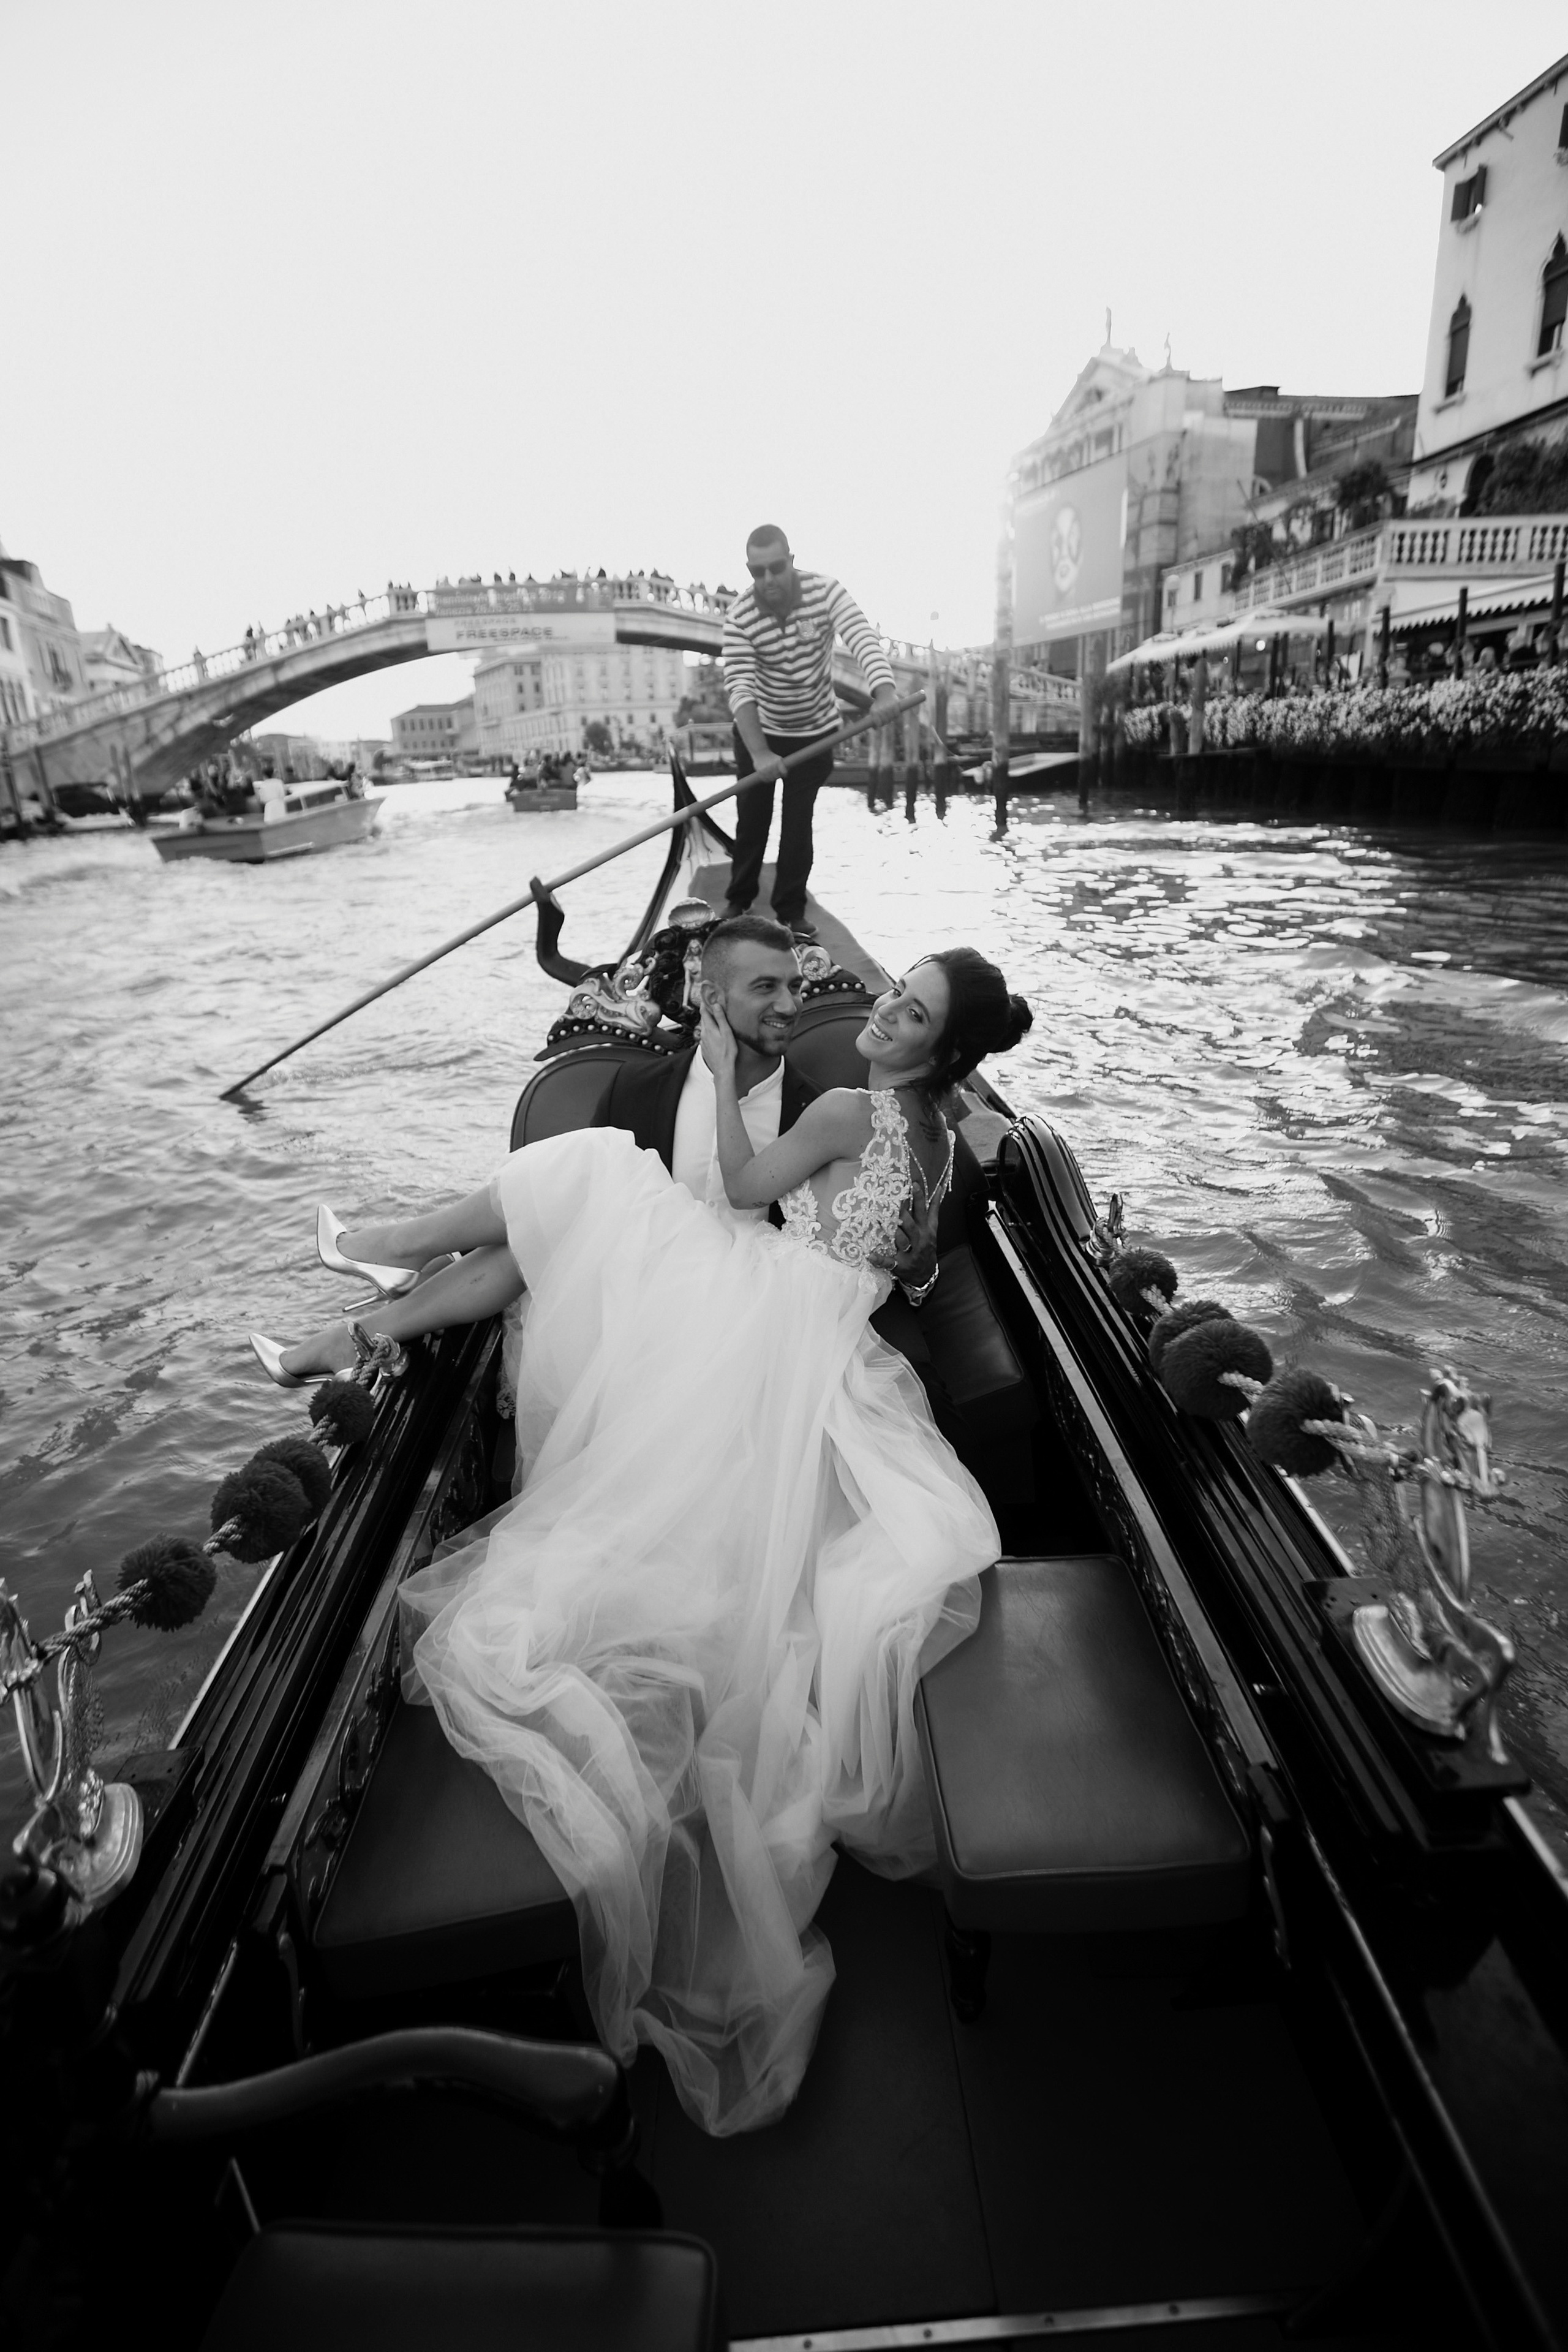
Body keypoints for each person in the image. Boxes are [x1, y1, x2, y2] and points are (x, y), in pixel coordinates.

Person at [249, 946, 1031, 2136]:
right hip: (832, 1346)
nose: (881, 1011)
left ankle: (375, 1260)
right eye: (894, 992)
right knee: (559, 1221)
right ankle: (352, 1320)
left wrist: (715, 1062)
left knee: (590, 1172)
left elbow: (740, 1184)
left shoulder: (843, 1108)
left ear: (940, 1044)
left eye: (908, 1010)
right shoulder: (937, 1148)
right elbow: (910, 1269)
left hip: (766, 1306)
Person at [722, 526, 901, 942]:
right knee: (753, 820)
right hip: (761, 731)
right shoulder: (739, 616)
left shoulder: (827, 592)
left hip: (816, 732)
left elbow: (861, 636)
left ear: (791, 561)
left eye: (776, 567)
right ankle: (739, 899)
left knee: (798, 823)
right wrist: (760, 753)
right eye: (758, 571)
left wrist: (884, 691)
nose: (768, 579)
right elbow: (741, 688)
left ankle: (790, 911)